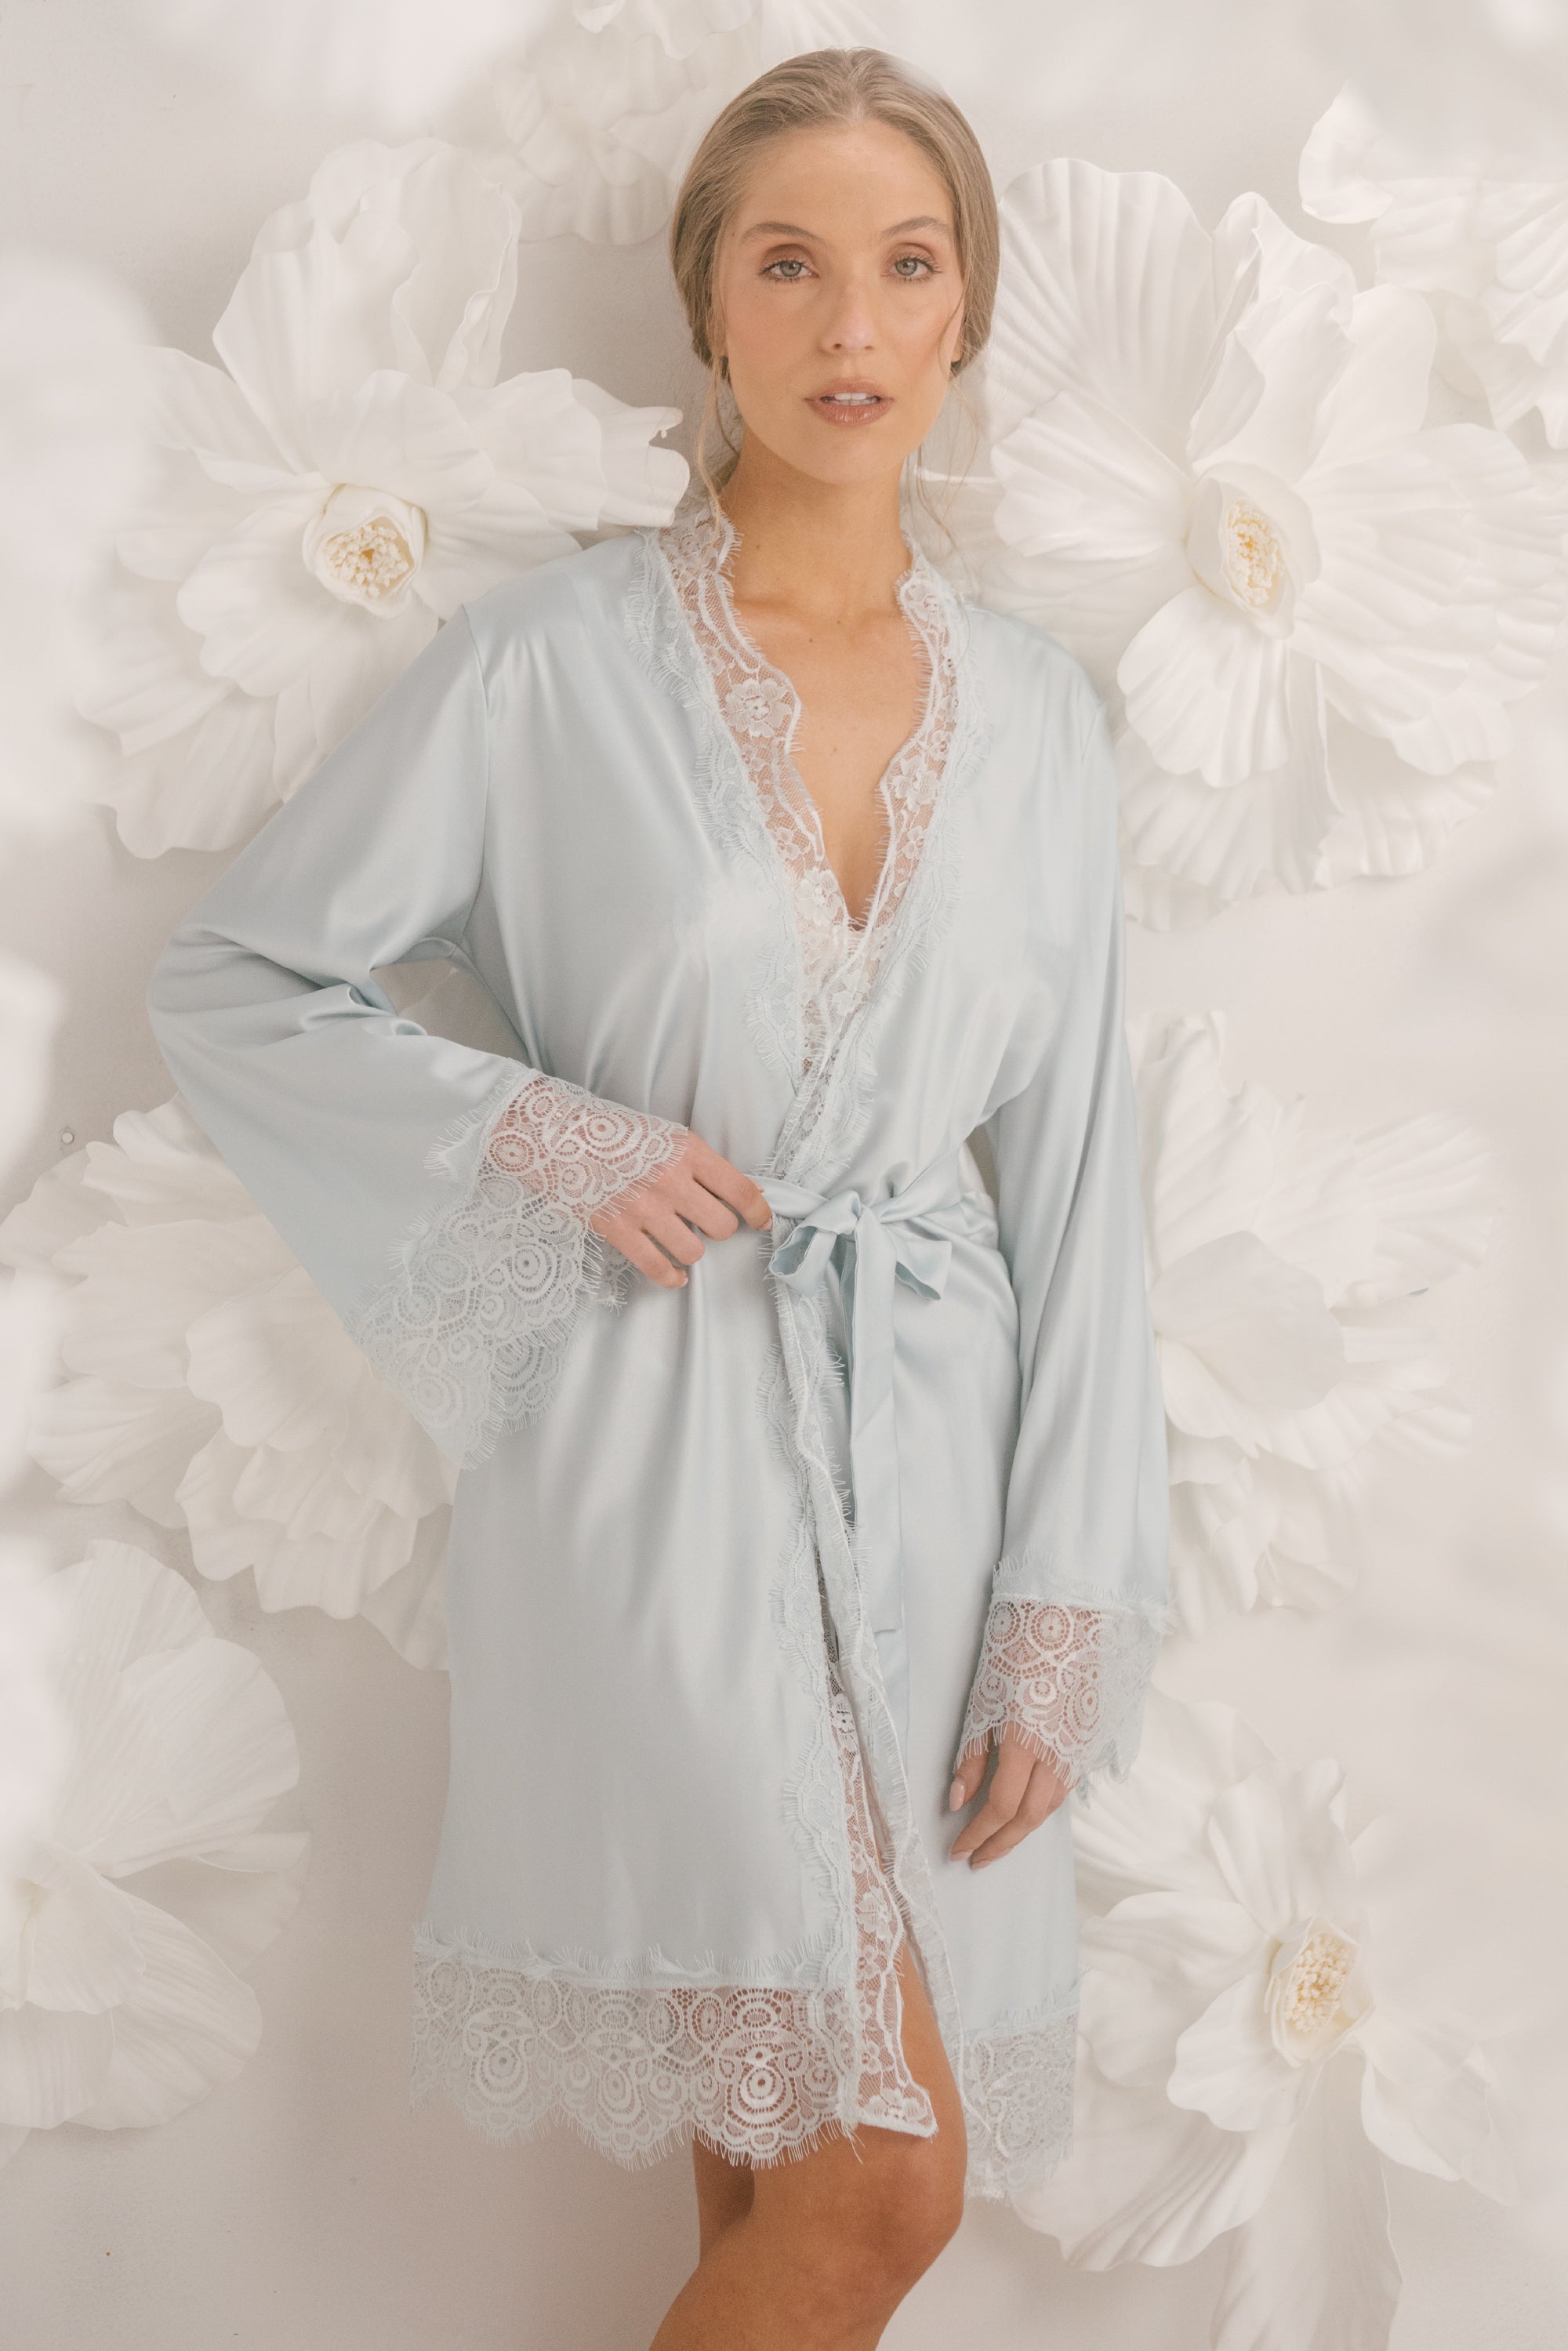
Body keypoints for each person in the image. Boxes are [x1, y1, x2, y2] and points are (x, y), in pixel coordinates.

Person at [147, 45, 1168, 2351]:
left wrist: (1069, 1591)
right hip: (653, 1461)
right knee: (883, 2187)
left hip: (944, 1475)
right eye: (788, 264)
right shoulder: (545, 670)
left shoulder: (1043, 720)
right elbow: (240, 980)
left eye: (906, 264)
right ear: (709, 304)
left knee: (799, 2169)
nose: (850, 323)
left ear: (969, 306)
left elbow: (1083, 1183)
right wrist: (548, 1133)